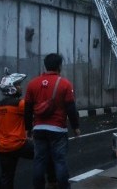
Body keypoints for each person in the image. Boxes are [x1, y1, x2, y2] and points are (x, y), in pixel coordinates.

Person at [0, 68, 56, 189]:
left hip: (3, 147)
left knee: (6, 176)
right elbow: (37, 111)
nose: (21, 87)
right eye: (18, 85)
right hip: (19, 144)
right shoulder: (19, 104)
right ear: (12, 87)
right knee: (46, 154)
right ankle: (51, 182)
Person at [25, 53, 80, 189]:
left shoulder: (32, 83)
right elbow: (70, 108)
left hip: (38, 128)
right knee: (59, 161)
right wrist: (76, 127)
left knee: (39, 161)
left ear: (46, 65)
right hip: (58, 129)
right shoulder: (65, 84)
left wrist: (27, 128)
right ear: (59, 66)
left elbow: (27, 108)